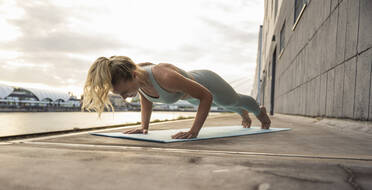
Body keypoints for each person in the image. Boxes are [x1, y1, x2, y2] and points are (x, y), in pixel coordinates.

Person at [81, 56, 271, 139]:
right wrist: (144, 127)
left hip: (207, 83)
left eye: (123, 93)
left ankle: (258, 111)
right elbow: (147, 101)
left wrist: (193, 131)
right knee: (225, 105)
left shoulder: (164, 76)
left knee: (232, 100)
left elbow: (206, 96)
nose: (124, 98)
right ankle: (243, 115)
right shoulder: (139, 81)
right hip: (189, 95)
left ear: (134, 76)